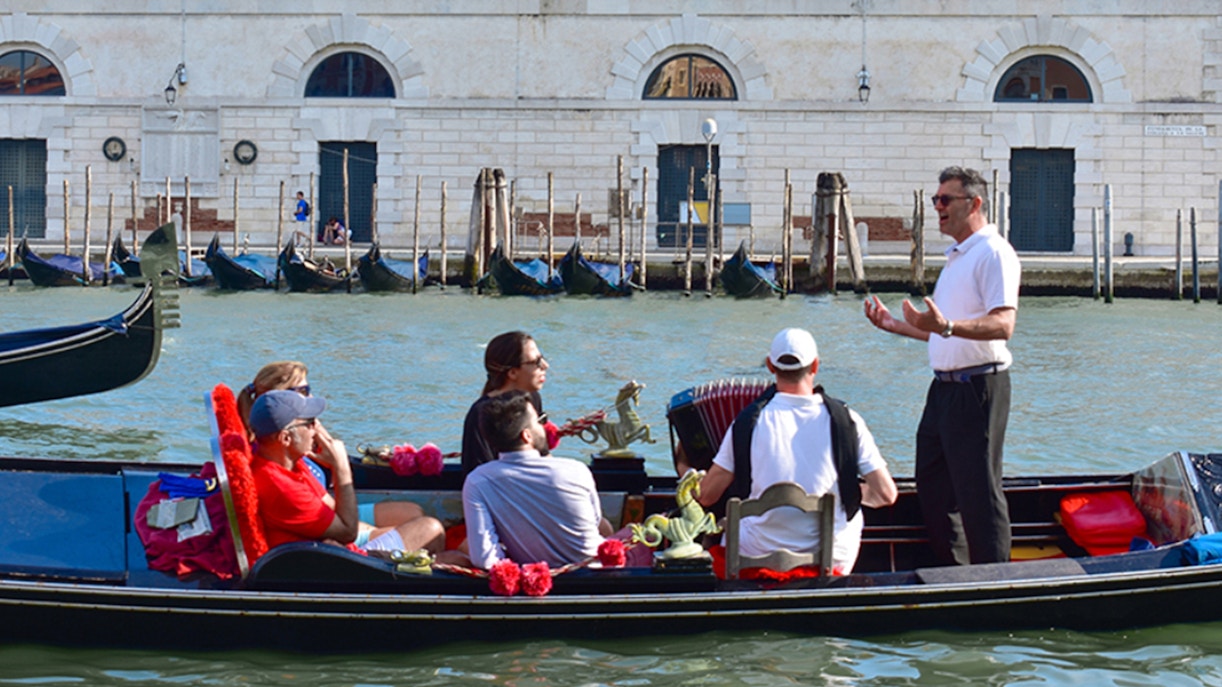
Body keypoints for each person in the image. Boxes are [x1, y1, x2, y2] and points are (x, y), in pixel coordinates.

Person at [863, 165, 1021, 566]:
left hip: (978, 388)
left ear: (975, 203)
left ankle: (994, 581)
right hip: (945, 390)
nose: (938, 207)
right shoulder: (957, 257)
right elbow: (943, 334)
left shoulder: (993, 252)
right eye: (936, 199)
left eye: (946, 199)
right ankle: (955, 570)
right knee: (933, 486)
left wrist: (946, 324)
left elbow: (1004, 325)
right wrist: (896, 326)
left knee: (979, 493)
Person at [696, 328, 897, 575]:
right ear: (815, 366)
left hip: (754, 558)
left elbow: (706, 497)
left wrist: (686, 468)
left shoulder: (747, 422)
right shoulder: (848, 421)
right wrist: (846, 492)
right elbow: (886, 495)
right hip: (832, 562)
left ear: (770, 366)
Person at [237, 361, 427, 540]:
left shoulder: (294, 459)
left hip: (327, 515)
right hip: (326, 530)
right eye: (303, 392)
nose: (311, 397)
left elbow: (329, 505)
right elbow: (346, 530)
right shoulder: (281, 468)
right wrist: (341, 467)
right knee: (428, 530)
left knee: (414, 514)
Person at [249, 390, 446, 554]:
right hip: (333, 564)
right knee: (432, 531)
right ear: (285, 439)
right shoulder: (280, 487)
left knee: (418, 522)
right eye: (309, 423)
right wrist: (341, 467)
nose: (316, 429)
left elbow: (334, 511)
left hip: (334, 548)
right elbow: (347, 531)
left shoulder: (292, 465)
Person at [462, 390, 608, 569]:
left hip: (530, 581)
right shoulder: (577, 470)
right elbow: (593, 522)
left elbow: (485, 559)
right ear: (527, 436)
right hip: (596, 575)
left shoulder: (477, 481)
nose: (544, 426)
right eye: (539, 422)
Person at [461, 331, 549, 475]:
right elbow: (476, 472)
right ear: (512, 373)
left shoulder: (533, 399)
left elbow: (543, 453)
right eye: (536, 362)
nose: (545, 366)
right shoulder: (480, 413)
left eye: (543, 358)